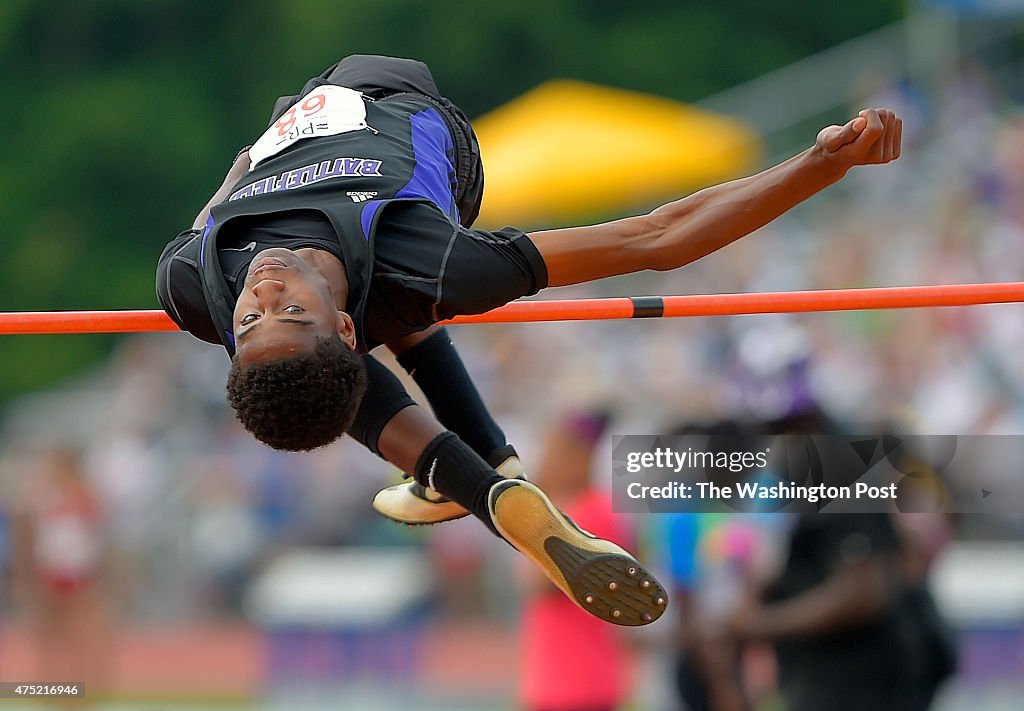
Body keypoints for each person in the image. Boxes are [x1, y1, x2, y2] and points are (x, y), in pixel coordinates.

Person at [155, 54, 901, 626]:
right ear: (342, 330)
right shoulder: (434, 256)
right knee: (402, 296)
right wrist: (821, 165)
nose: (263, 294)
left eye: (251, 320)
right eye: (287, 313)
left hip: (354, 247)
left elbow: (223, 200)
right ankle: (487, 475)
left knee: (356, 341)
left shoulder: (195, 282)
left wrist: (244, 173)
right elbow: (655, 237)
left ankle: (483, 479)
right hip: (428, 145)